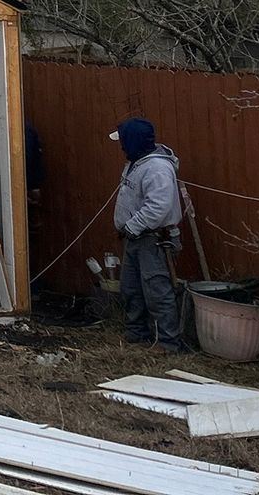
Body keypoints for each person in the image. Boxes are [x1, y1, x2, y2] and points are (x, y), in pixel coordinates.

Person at [111, 116, 185, 351]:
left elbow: (158, 207)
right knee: (131, 288)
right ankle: (137, 333)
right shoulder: (137, 162)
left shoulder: (157, 169)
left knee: (157, 290)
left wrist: (132, 226)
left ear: (133, 142)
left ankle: (167, 341)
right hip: (136, 237)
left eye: (123, 141)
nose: (121, 146)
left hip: (153, 238)